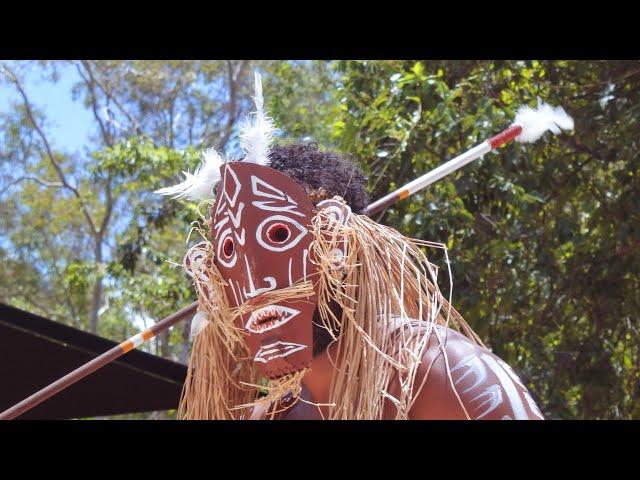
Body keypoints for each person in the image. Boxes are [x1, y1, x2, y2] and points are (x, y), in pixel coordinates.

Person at [157, 74, 544, 420]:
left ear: (341, 243)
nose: (258, 287)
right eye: (230, 254)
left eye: (278, 237)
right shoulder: (273, 414)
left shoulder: (441, 372)